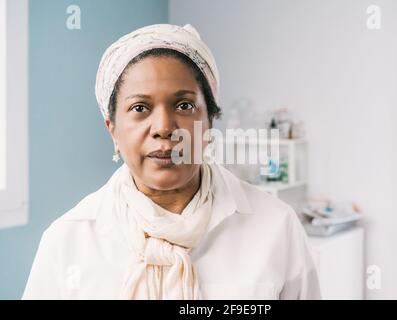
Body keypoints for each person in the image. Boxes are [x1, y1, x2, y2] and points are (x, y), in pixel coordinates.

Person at [22, 24, 321, 300]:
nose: (164, 127)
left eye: (184, 105)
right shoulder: (67, 241)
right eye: (140, 108)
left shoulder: (276, 226)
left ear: (210, 122)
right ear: (112, 129)